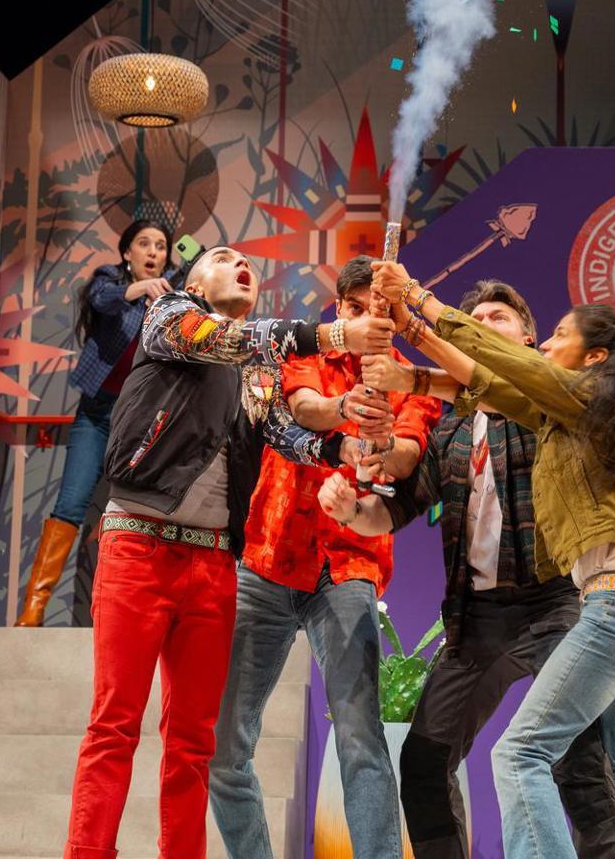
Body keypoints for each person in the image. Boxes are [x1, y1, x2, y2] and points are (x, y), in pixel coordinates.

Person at [63, 245, 396, 859]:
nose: (241, 264)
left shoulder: (255, 371)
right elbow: (234, 338)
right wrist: (334, 333)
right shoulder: (170, 317)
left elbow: (284, 434)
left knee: (194, 743)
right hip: (137, 547)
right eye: (223, 258)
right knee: (114, 727)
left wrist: (341, 448)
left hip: (214, 564)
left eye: (248, 261)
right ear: (195, 280)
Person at [369, 262, 615, 859]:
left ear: (594, 357)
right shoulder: (565, 411)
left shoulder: (584, 395)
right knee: (614, 768)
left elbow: (503, 366)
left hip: (611, 604)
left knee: (520, 755)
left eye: (558, 337)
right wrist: (411, 347)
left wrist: (418, 299)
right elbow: (486, 387)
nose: (546, 346)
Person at [321, 278, 615, 859]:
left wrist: (416, 327)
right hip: (475, 618)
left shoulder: (550, 402)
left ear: (530, 340)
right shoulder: (452, 428)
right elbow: (396, 509)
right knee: (424, 761)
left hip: (554, 604)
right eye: (476, 317)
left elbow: (494, 380)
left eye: (500, 318)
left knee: (578, 759)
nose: (486, 323)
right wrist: (352, 511)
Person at [210, 255, 441, 859]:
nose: (370, 319)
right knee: (226, 747)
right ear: (342, 310)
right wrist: (347, 414)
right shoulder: (304, 350)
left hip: (349, 571)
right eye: (357, 308)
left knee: (362, 741)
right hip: (266, 561)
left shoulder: (414, 384)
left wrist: (379, 446)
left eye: (382, 310)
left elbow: (407, 458)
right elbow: (304, 407)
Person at [17, 218, 175, 627]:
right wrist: (136, 289)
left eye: (161, 245)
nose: (154, 252)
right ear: (127, 253)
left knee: (148, 512)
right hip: (97, 414)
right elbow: (101, 299)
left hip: (143, 421)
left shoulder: (173, 296)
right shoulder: (110, 281)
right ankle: (33, 609)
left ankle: (144, 614)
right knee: (70, 504)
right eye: (144, 244)